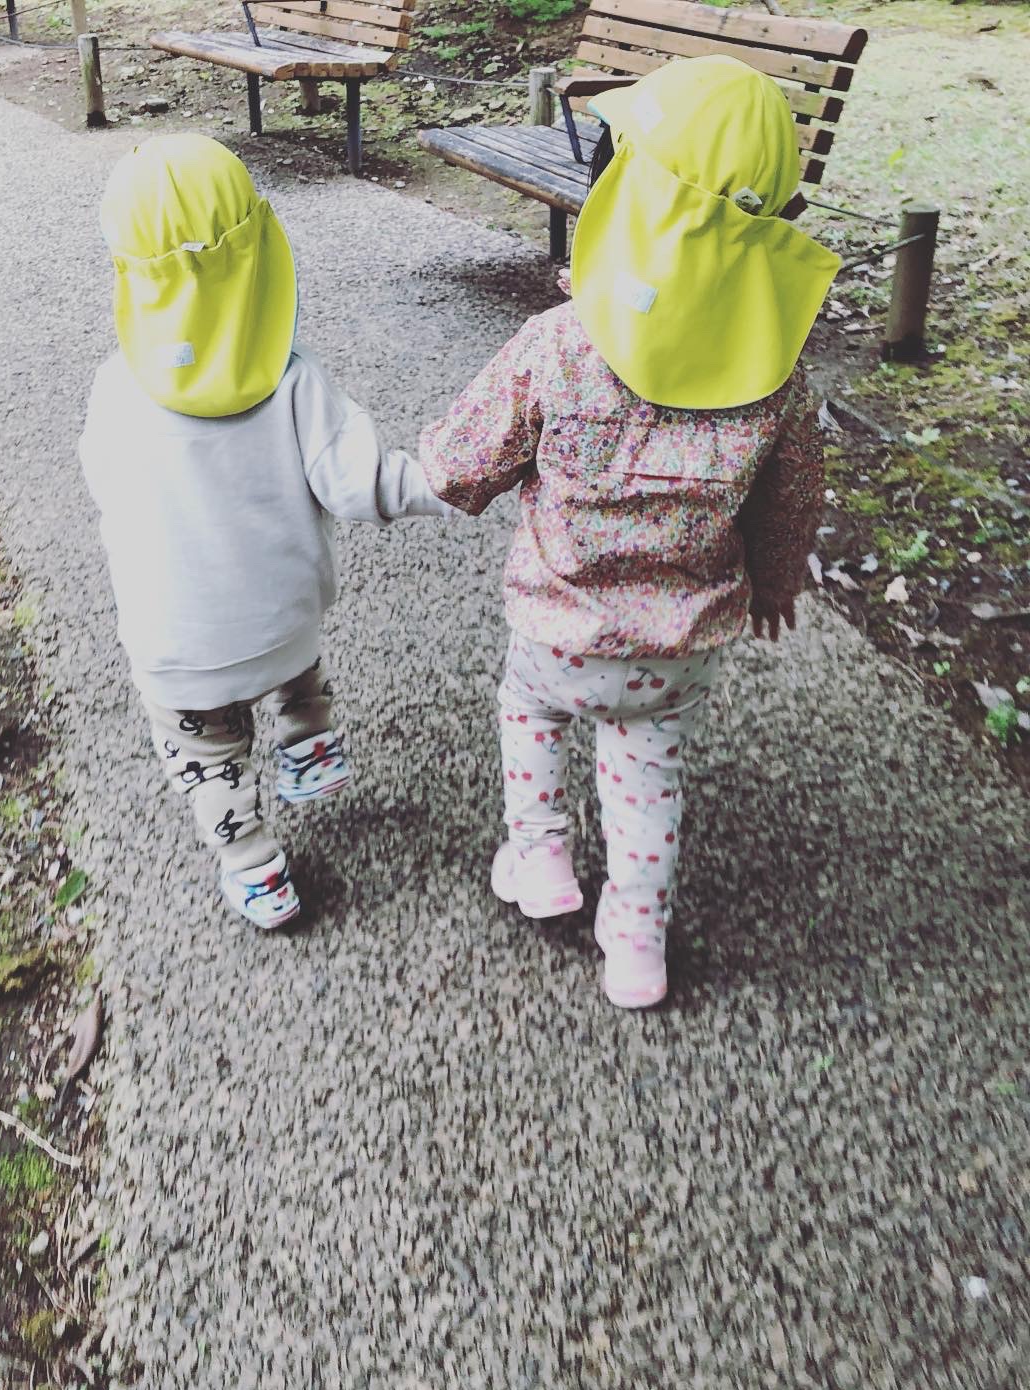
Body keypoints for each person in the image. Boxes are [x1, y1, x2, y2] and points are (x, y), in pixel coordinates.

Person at [420, 56, 839, 1007]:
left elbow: (459, 463)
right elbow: (792, 504)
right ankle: (638, 938)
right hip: (675, 654)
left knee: (529, 712)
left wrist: (438, 474)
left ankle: (539, 854)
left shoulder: (559, 344)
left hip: (557, 633)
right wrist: (775, 586)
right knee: (648, 775)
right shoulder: (777, 378)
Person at [80, 134, 455, 929]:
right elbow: (364, 486)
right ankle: (308, 734)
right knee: (283, 627)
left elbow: (103, 486)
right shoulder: (293, 379)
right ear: (257, 255)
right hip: (287, 630)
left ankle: (255, 868)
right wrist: (460, 480)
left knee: (207, 756)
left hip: (178, 651)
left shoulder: (114, 392)